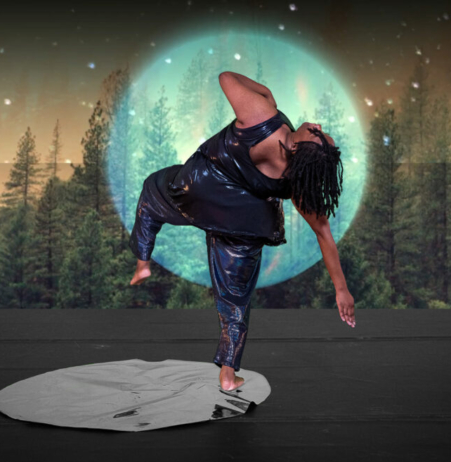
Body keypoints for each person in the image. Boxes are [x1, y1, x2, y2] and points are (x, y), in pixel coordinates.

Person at [128, 71, 355, 392]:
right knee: (236, 298)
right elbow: (324, 236)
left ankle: (143, 264)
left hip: (200, 189)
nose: (318, 127)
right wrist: (341, 290)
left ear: (301, 145)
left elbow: (225, 78)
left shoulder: (262, 116)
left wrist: (267, 95)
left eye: (319, 134)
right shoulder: (299, 185)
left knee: (153, 190)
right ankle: (227, 373)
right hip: (244, 221)